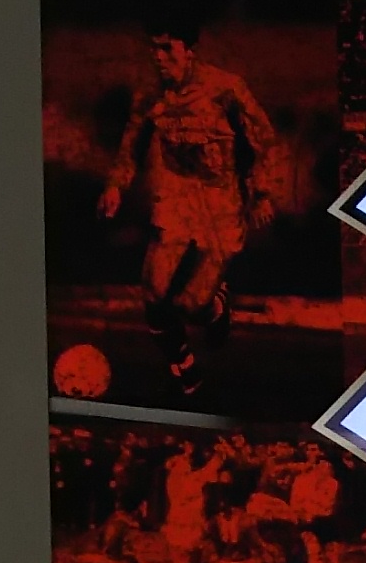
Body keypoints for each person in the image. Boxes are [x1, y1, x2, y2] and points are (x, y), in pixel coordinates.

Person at [98, 24, 281, 397]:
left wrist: (261, 193)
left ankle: (216, 306)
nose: (159, 57)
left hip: (221, 203)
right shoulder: (150, 95)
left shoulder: (226, 89)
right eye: (154, 48)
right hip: (177, 198)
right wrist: (116, 185)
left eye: (168, 48)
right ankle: (183, 368)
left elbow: (263, 139)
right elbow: (131, 146)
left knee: (192, 305)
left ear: (189, 50)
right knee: (153, 291)